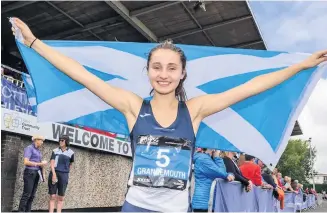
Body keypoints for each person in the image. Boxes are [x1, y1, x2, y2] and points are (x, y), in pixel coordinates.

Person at [11, 18, 327, 212]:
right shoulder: (133, 105)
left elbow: (251, 87)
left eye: (171, 68)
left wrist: (299, 66)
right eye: (157, 67)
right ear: (148, 72)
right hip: (135, 207)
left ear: (181, 74)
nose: (164, 74)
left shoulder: (196, 110)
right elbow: (83, 75)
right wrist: (35, 42)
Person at [18, 135, 47, 212]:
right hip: (29, 173)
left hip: (37, 173)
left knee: (32, 195)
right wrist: (39, 164)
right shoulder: (29, 148)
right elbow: (26, 162)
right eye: (41, 140)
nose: (42, 142)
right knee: (26, 195)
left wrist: (43, 174)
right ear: (36, 140)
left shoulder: (39, 151)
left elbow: (41, 164)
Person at [48, 135, 74, 213]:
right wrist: (54, 174)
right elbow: (52, 164)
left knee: (61, 197)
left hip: (64, 175)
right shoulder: (55, 150)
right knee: (52, 196)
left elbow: (70, 164)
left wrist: (66, 171)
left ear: (66, 141)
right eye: (59, 140)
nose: (60, 142)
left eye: (62, 140)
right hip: (54, 174)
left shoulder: (71, 152)